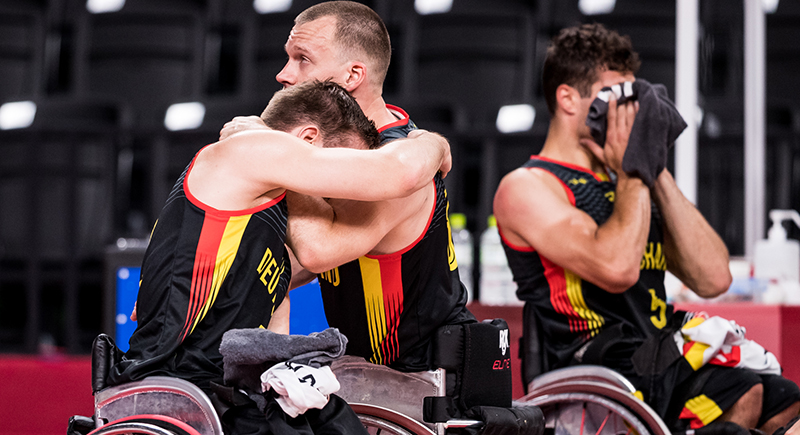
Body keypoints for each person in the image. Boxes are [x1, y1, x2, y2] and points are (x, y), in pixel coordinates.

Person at [493, 23, 800, 433]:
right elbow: (617, 269)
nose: (629, 111)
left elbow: (713, 278)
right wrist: (633, 170)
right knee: (742, 394)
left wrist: (652, 165)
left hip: (658, 354)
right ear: (567, 99)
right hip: (597, 364)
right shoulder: (528, 186)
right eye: (615, 97)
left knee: (785, 401)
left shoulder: (629, 179)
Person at [108, 80, 452, 435]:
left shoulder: (264, 225)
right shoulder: (252, 148)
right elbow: (400, 173)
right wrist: (433, 143)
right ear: (307, 140)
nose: (340, 195)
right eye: (345, 160)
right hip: (182, 384)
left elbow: (269, 342)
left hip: (223, 388)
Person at [226, 1, 475, 372]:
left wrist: (275, 152)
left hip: (429, 383)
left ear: (352, 75)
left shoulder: (392, 158)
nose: (283, 74)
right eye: (287, 58)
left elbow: (317, 251)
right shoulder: (330, 151)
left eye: (302, 59)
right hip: (371, 378)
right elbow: (294, 267)